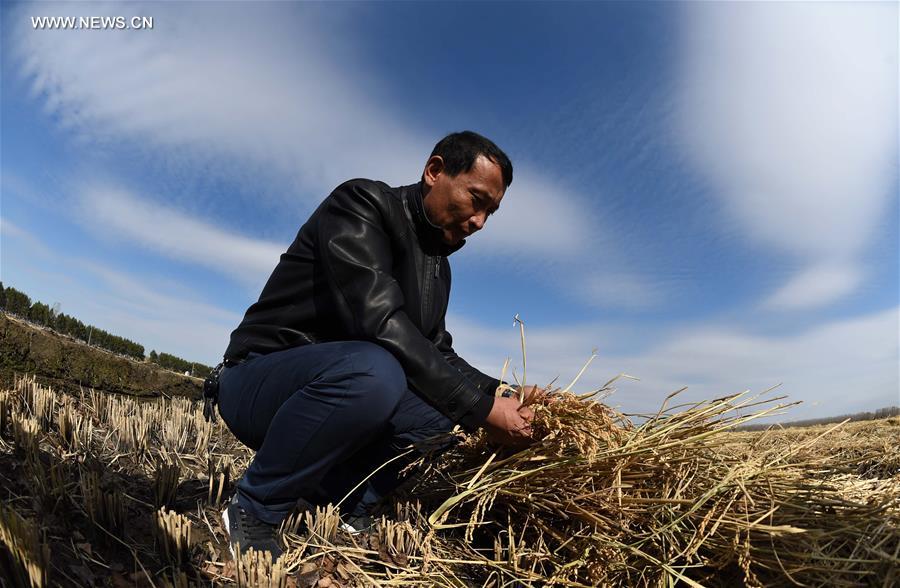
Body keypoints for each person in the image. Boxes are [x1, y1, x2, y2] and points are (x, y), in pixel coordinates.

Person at [214, 131, 538, 559]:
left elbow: (438, 352)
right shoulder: (361, 206)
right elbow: (379, 322)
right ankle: (255, 507)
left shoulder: (438, 267)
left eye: (490, 212)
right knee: (377, 370)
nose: (479, 222)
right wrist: (482, 411)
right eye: (476, 199)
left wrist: (502, 393)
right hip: (256, 382)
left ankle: (345, 502)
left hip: (343, 388)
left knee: (446, 415)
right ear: (435, 171)